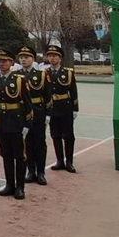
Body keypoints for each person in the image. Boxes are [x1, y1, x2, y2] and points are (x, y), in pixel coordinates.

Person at [0, 48, 32, 200]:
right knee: (6, 154)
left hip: (16, 121)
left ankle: (20, 186)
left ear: (11, 63)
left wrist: (27, 124)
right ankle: (9, 184)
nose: (1, 64)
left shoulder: (20, 80)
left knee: (19, 155)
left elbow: (28, 104)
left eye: (5, 61)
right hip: (1, 122)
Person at [18, 45, 52, 184]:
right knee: (27, 143)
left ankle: (41, 172)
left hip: (38, 111)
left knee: (39, 143)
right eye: (21, 57)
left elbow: (48, 95)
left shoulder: (41, 75)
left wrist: (48, 114)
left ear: (33, 59)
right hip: (23, 113)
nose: (23, 60)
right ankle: (30, 171)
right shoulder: (17, 75)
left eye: (26, 57)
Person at [45, 45, 79, 173]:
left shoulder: (68, 72)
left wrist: (75, 108)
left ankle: (69, 161)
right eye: (50, 56)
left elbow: (73, 91)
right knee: (55, 135)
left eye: (55, 56)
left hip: (65, 106)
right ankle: (59, 160)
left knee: (69, 136)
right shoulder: (45, 73)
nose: (52, 58)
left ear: (60, 58)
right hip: (52, 108)